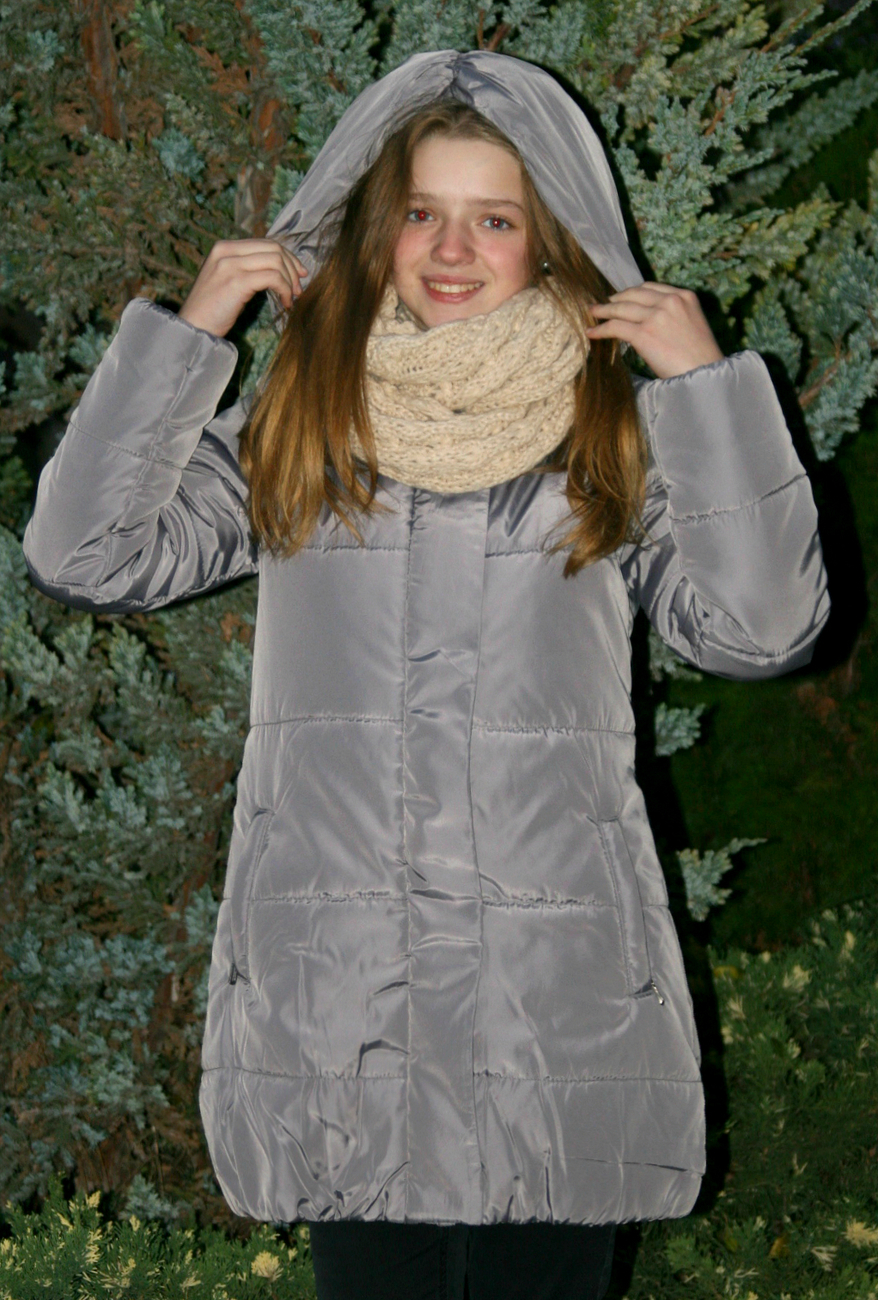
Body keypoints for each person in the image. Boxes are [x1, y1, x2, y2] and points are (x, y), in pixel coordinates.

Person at [22, 48, 829, 1300]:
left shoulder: (611, 433)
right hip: (346, 1007)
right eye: (420, 212)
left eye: (493, 218)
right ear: (374, 228)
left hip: (553, 1006)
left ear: (548, 239)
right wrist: (189, 335)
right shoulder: (297, 424)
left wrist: (705, 390)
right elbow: (84, 553)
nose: (453, 249)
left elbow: (760, 630)